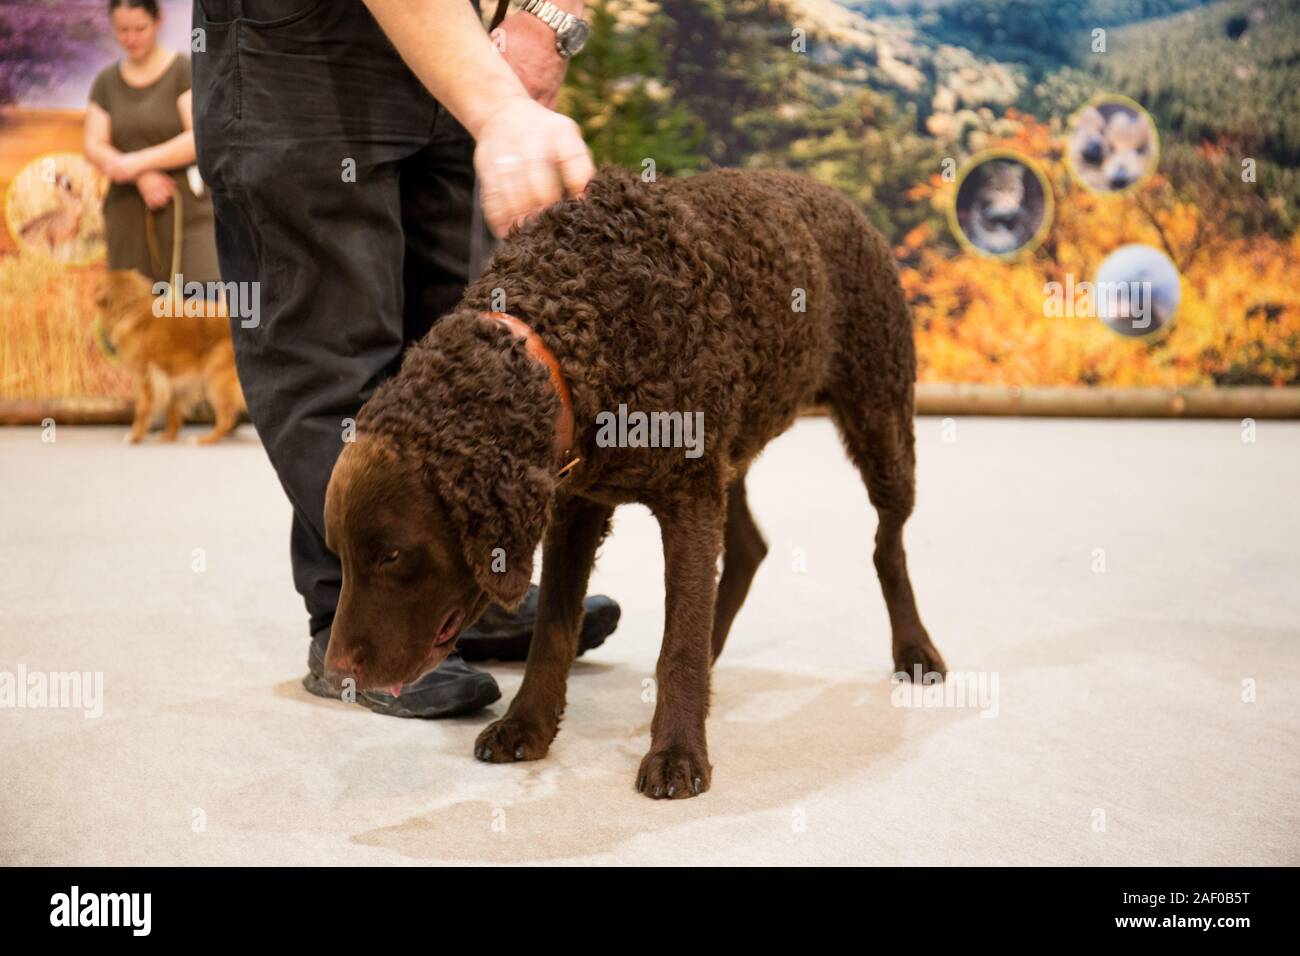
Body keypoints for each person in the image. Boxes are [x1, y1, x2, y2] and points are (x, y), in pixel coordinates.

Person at [190, 0, 620, 718]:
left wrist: (548, 17)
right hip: (297, 45)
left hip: (455, 34)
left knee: (454, 348)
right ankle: (360, 636)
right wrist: (495, 105)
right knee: (333, 354)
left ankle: (460, 596)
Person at [85, 0, 221, 286]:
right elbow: (94, 145)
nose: (131, 38)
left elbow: (198, 138)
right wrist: (141, 176)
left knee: (195, 308)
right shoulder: (106, 81)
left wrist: (137, 162)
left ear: (158, 22)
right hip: (127, 211)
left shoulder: (183, 70)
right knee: (131, 314)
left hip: (185, 207)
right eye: (123, 30)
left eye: (140, 28)